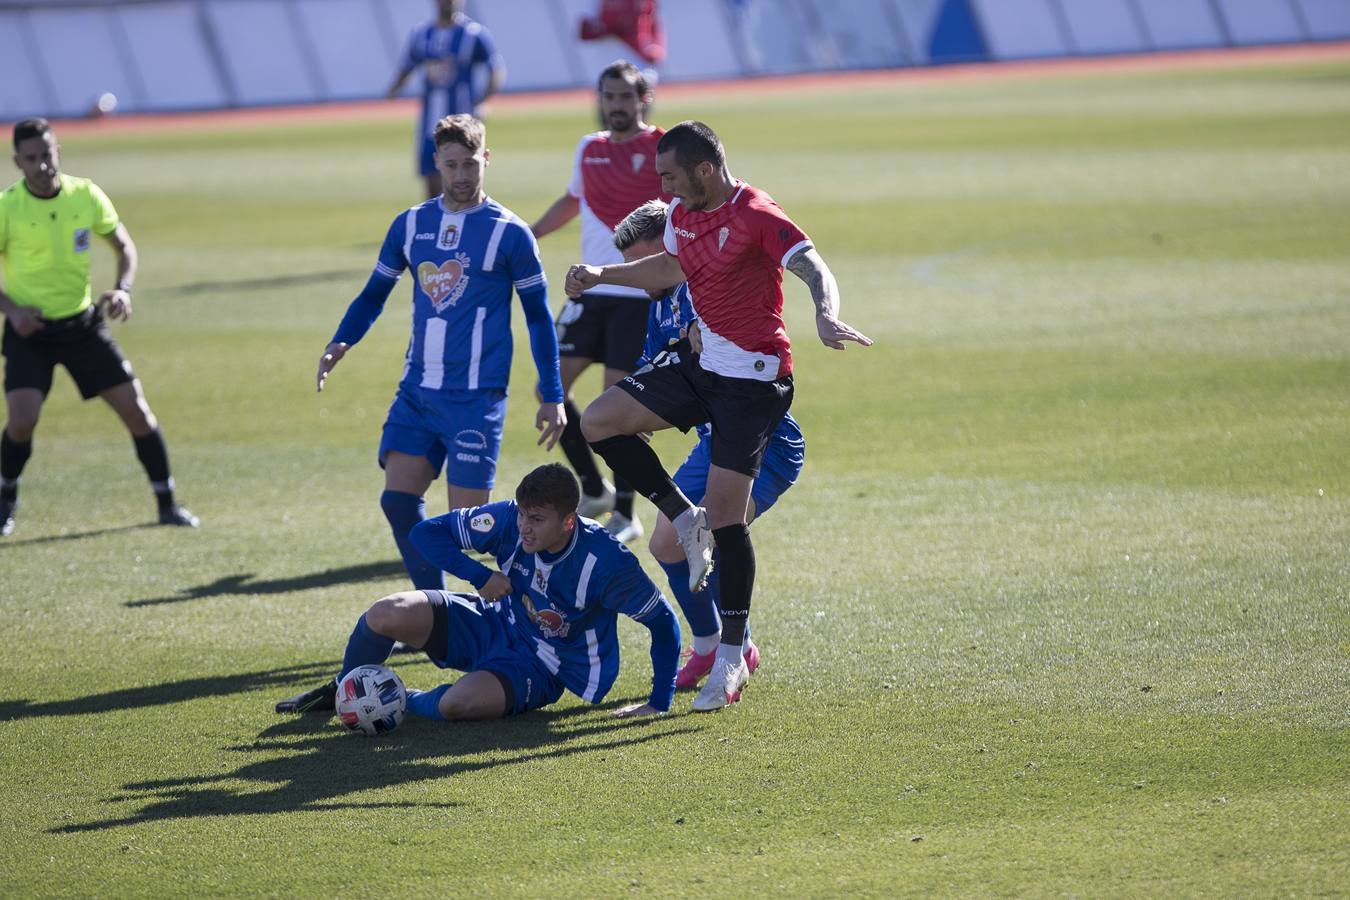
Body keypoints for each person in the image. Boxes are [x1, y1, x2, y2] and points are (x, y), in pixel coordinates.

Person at [565, 121, 871, 711]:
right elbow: (667, 274)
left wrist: (826, 314)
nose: (662, 187)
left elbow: (813, 265)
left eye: (670, 176)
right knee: (613, 443)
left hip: (759, 404)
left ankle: (732, 653)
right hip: (706, 394)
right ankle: (700, 591)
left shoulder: (754, 212)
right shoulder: (677, 235)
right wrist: (603, 274)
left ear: (704, 170)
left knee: (726, 525)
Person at [317, 114, 566, 595]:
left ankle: (518, 606)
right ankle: (438, 606)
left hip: (476, 396)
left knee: (470, 530)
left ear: (486, 160)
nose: (462, 175)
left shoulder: (511, 233)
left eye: (471, 164)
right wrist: (342, 339)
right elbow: (374, 294)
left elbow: (538, 317)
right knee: (398, 502)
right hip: (418, 390)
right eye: (452, 165)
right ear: (437, 163)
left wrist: (552, 393)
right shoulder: (410, 225)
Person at [276, 463, 679, 720]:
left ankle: (398, 699)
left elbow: (662, 621)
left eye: (537, 519)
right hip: (492, 620)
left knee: (457, 704)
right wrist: (478, 576)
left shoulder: (607, 561)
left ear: (569, 521)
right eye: (522, 514)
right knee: (387, 612)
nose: (524, 527)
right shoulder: (507, 519)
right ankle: (344, 689)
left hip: (542, 667)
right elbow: (426, 533)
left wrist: (658, 701)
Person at [610, 200, 805, 692]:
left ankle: (736, 652)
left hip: (767, 445)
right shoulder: (659, 305)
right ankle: (708, 645)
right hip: (711, 442)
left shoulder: (705, 289)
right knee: (667, 543)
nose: (635, 275)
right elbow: (655, 369)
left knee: (714, 535)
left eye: (640, 262)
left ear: (665, 249)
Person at [0, 118, 198, 536]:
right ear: (18, 162)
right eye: (31, 159)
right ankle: (6, 499)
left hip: (82, 325)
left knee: (138, 413)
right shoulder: (7, 207)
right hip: (29, 333)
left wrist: (123, 289)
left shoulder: (85, 195)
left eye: (47, 155)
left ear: (59, 152)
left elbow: (123, 244)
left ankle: (167, 502)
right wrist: (13, 311)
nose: (41, 166)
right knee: (22, 421)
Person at [530, 60, 668, 544]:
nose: (615, 105)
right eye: (608, 96)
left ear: (642, 99)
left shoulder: (660, 148)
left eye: (625, 97)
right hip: (588, 293)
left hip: (636, 295)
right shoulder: (589, 149)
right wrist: (531, 234)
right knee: (550, 389)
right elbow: (573, 199)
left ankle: (628, 512)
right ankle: (593, 487)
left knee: (617, 407)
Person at [387, 0, 505, 199]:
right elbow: (408, 65)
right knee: (431, 177)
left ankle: (465, 222)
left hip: (462, 117)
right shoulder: (421, 33)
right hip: (430, 118)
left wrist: (483, 100)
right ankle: (436, 223)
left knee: (464, 175)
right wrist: (393, 90)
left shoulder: (473, 34)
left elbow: (495, 68)